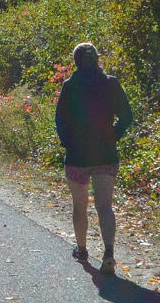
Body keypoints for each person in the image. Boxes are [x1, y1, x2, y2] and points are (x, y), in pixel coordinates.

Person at [54, 41, 134, 271]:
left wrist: (69, 144)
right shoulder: (111, 83)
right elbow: (127, 116)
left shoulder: (70, 86)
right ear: (98, 59)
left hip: (78, 156)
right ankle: (108, 252)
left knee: (79, 207)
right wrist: (113, 136)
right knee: (104, 206)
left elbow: (60, 121)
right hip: (106, 154)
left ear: (76, 62)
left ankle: (81, 250)